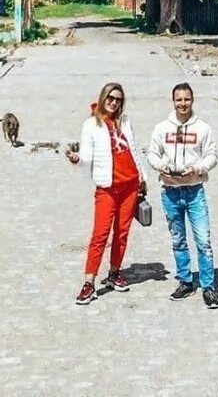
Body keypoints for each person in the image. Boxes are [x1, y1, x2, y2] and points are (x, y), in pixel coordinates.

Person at [65, 82, 147, 305]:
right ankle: (89, 282)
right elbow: (86, 156)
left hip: (130, 185)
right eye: (110, 97)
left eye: (118, 99)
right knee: (100, 235)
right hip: (107, 187)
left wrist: (143, 178)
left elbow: (134, 150)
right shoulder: (91, 125)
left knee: (122, 233)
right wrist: (77, 159)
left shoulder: (125, 122)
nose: (113, 102)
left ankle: (114, 273)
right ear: (103, 97)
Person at [147, 82, 218, 309]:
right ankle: (185, 281)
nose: (183, 104)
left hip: (194, 191)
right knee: (178, 240)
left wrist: (198, 168)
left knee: (203, 241)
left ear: (193, 100)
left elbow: (212, 156)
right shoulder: (161, 128)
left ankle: (208, 286)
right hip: (170, 191)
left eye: (186, 99)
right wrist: (160, 166)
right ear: (173, 101)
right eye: (179, 99)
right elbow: (152, 152)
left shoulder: (203, 128)